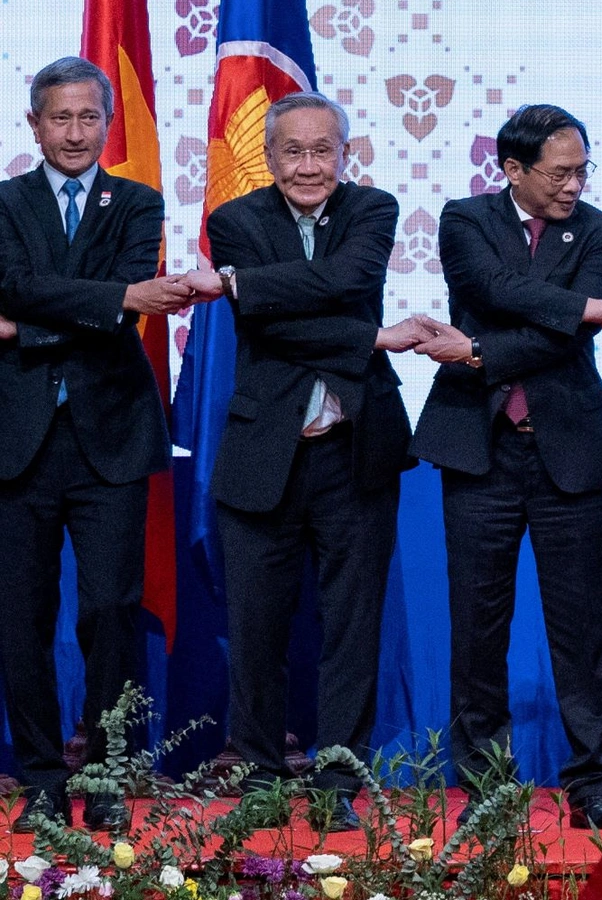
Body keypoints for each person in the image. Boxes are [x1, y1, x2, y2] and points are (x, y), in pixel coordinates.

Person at [407, 104, 602, 830]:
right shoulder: (463, 219)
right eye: (560, 172)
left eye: (583, 169)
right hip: (477, 447)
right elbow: (494, 292)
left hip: (567, 446)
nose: (575, 184)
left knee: (584, 628)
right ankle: (488, 783)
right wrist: (589, 309)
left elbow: (555, 340)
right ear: (512, 169)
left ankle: (592, 782)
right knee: (478, 624)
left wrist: (484, 353)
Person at [186, 91, 423, 833]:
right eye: (294, 151)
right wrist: (371, 340)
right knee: (256, 627)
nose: (310, 165)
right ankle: (257, 772)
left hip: (357, 449)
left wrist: (236, 285)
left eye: (324, 150)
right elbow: (272, 324)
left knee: (353, 628)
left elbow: (346, 284)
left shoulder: (373, 209)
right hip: (265, 453)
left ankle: (336, 782)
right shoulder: (234, 221)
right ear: (270, 155)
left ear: (345, 156)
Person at [0, 56, 207, 832]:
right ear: (35, 125)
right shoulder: (4, 203)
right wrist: (111, 298)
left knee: (112, 610)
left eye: (90, 118)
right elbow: (13, 280)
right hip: (17, 441)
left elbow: (113, 312)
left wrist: (25, 327)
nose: (77, 132)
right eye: (62, 118)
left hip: (112, 439)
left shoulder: (138, 201)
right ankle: (45, 780)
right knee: (22, 617)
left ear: (108, 123)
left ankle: (111, 773)